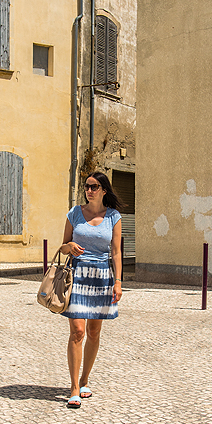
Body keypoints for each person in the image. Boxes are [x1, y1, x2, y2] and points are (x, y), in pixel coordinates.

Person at [60, 171, 122, 408]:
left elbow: (116, 252)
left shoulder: (113, 217)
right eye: (87, 186)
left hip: (101, 277)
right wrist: (69, 246)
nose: (89, 190)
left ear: (104, 190)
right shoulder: (75, 213)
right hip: (78, 275)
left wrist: (118, 282)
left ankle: (85, 380)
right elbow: (63, 246)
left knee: (94, 332)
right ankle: (74, 387)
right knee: (77, 331)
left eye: (94, 187)